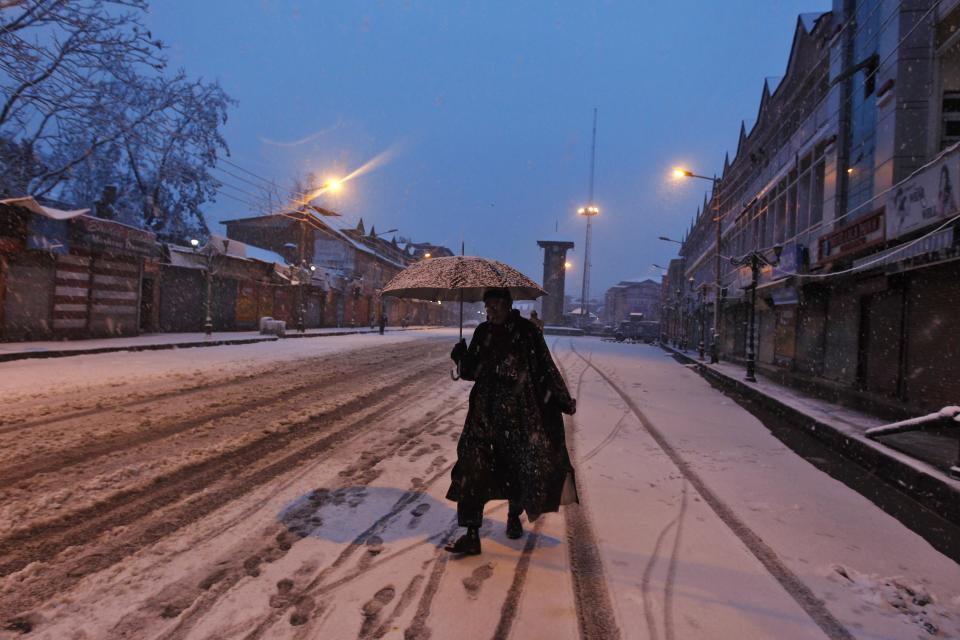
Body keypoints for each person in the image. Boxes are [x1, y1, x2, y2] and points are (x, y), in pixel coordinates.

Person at [445, 287, 578, 555]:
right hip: (483, 415)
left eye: (495, 305)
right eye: (487, 305)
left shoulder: (527, 332)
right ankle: (471, 533)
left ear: (508, 305)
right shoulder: (483, 331)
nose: (490, 310)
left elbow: (544, 365)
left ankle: (514, 516)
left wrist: (561, 399)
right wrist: (461, 355)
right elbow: (471, 372)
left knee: (516, 469)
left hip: (517, 415)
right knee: (473, 469)